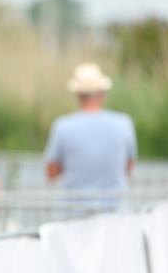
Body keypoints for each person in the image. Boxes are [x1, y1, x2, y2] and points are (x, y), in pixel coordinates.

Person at [44, 63, 137, 192]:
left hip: (73, 208)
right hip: (115, 209)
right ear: (102, 93)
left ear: (77, 94)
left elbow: (51, 172)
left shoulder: (62, 126)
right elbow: (129, 167)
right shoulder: (124, 123)